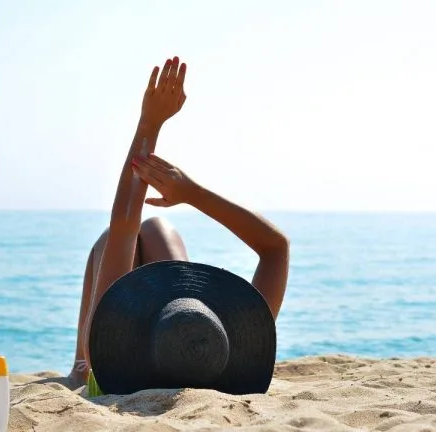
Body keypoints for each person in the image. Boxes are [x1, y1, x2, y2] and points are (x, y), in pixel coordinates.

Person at [69, 56, 290, 387]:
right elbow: (276, 247)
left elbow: (123, 226)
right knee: (156, 229)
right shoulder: (223, 356)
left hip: (94, 364)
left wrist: (150, 125)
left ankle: (77, 369)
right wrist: (192, 192)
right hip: (189, 352)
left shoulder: (102, 358)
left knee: (113, 240)